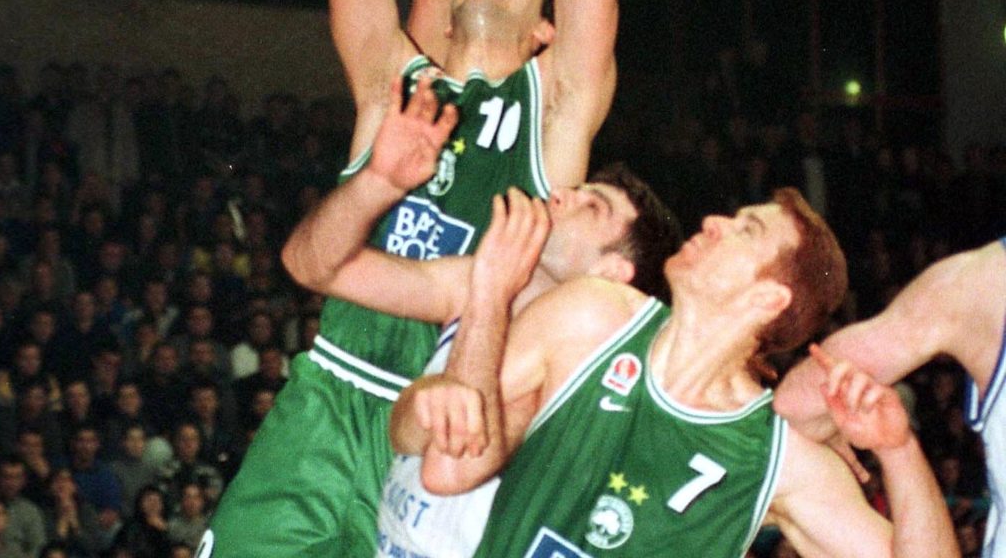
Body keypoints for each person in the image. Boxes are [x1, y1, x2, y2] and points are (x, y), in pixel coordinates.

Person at [209, 0, 618, 543]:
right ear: (449, 13)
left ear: (547, 32)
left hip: (438, 431)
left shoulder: (553, 110)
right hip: (326, 399)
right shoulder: (393, 85)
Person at [387, 188, 958, 555]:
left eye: (747, 231)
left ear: (767, 300)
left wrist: (900, 450)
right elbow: (443, 464)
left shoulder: (776, 462)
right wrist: (433, 397)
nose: (713, 221)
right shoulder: (590, 316)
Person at [774, 237, 1006, 557]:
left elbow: (797, 405)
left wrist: (825, 432)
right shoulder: (985, 281)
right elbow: (798, 406)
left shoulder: (979, 282)